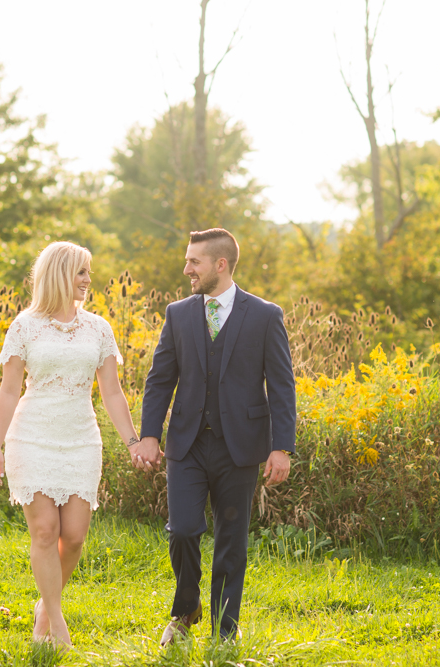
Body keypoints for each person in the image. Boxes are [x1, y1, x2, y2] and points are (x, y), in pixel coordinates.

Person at [131, 228, 296, 644]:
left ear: (220, 265)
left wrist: (281, 447)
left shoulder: (264, 315)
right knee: (184, 530)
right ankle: (185, 613)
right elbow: (159, 379)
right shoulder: (178, 313)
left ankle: (226, 631)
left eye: (194, 262)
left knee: (231, 542)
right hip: (185, 444)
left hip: (240, 447)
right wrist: (149, 435)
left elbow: (281, 385)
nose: (186, 269)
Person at [0, 241, 141, 649]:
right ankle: (54, 624)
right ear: (58, 274)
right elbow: (8, 391)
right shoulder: (24, 325)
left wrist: (132, 442)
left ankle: (42, 605)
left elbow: (112, 393)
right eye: (81, 272)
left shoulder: (98, 328)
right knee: (44, 531)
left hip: (80, 440)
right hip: (31, 436)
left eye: (88, 272)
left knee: (72, 536)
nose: (89, 280)